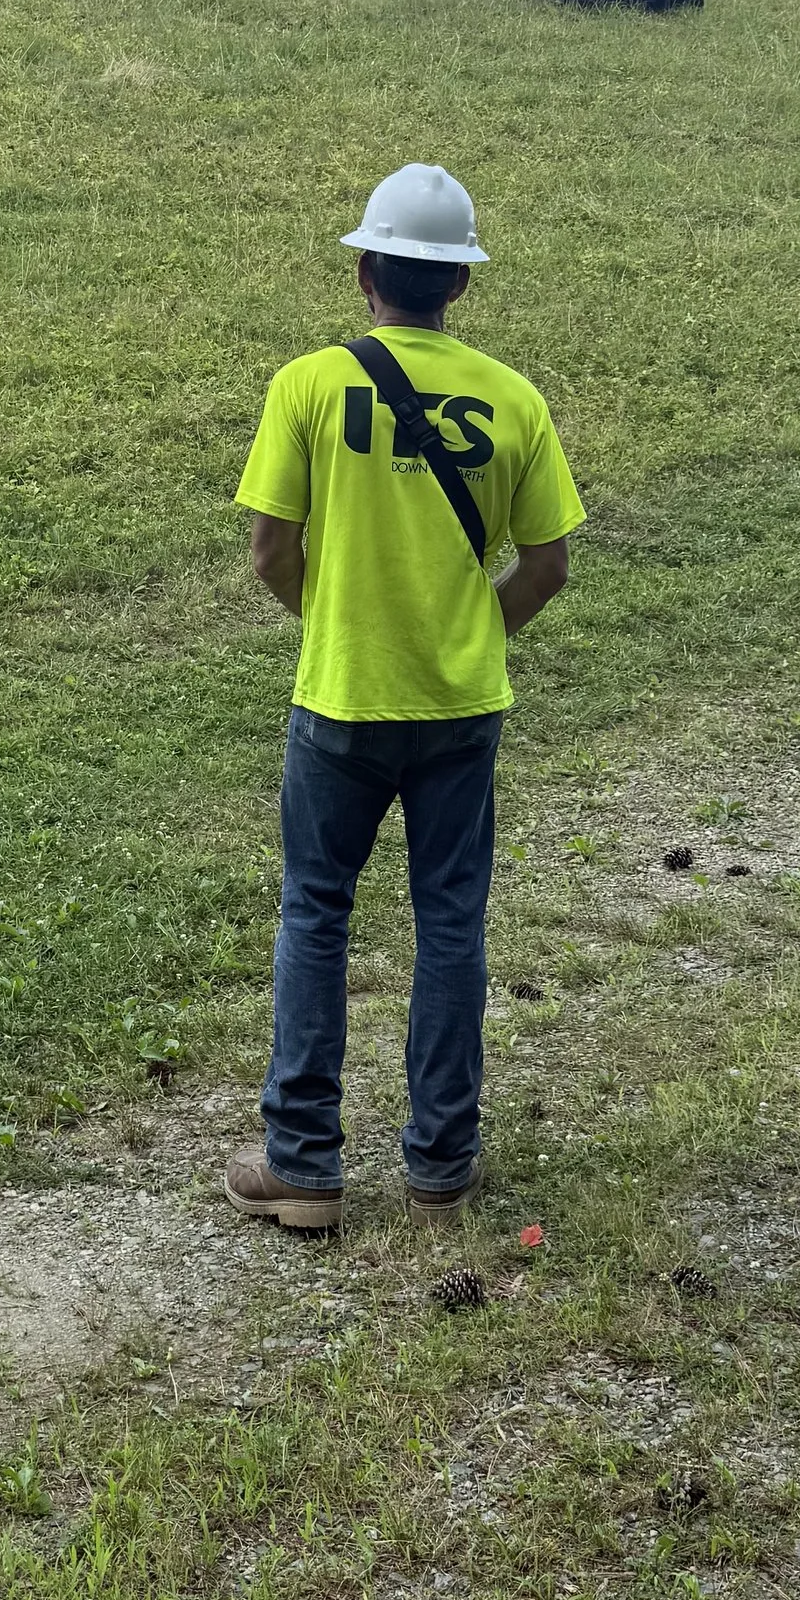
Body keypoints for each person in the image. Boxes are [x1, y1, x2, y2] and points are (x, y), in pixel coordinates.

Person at [226, 164, 584, 1231]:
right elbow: (549, 564)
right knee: (450, 923)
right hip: (460, 708)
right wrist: (473, 631)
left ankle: (302, 1170)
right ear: (458, 286)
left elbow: (268, 549)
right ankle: (440, 1166)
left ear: (364, 270)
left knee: (314, 913)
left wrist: (331, 619)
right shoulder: (514, 399)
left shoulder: (305, 385)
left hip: (339, 699)